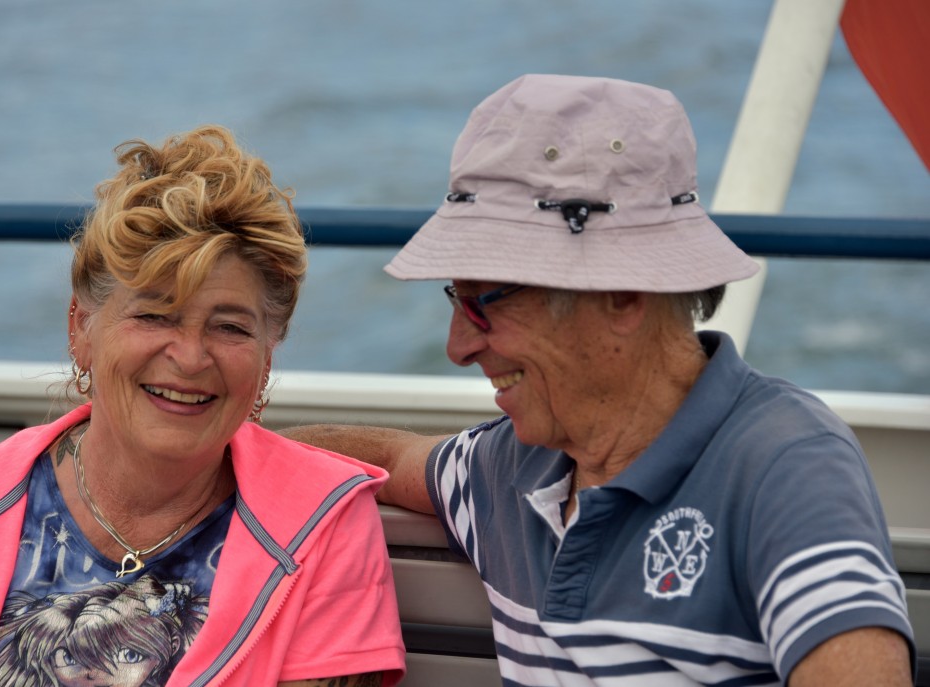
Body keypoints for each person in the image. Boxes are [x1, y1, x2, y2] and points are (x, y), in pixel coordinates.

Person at [280, 75, 916, 686]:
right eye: (456, 299)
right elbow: (391, 456)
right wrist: (231, 454)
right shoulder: (508, 468)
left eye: (484, 303)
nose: (458, 346)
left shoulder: (784, 469)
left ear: (622, 294)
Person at [0, 125, 405, 687]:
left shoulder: (324, 527)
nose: (190, 357)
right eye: (154, 316)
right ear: (81, 329)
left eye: (230, 327)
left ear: (266, 359)